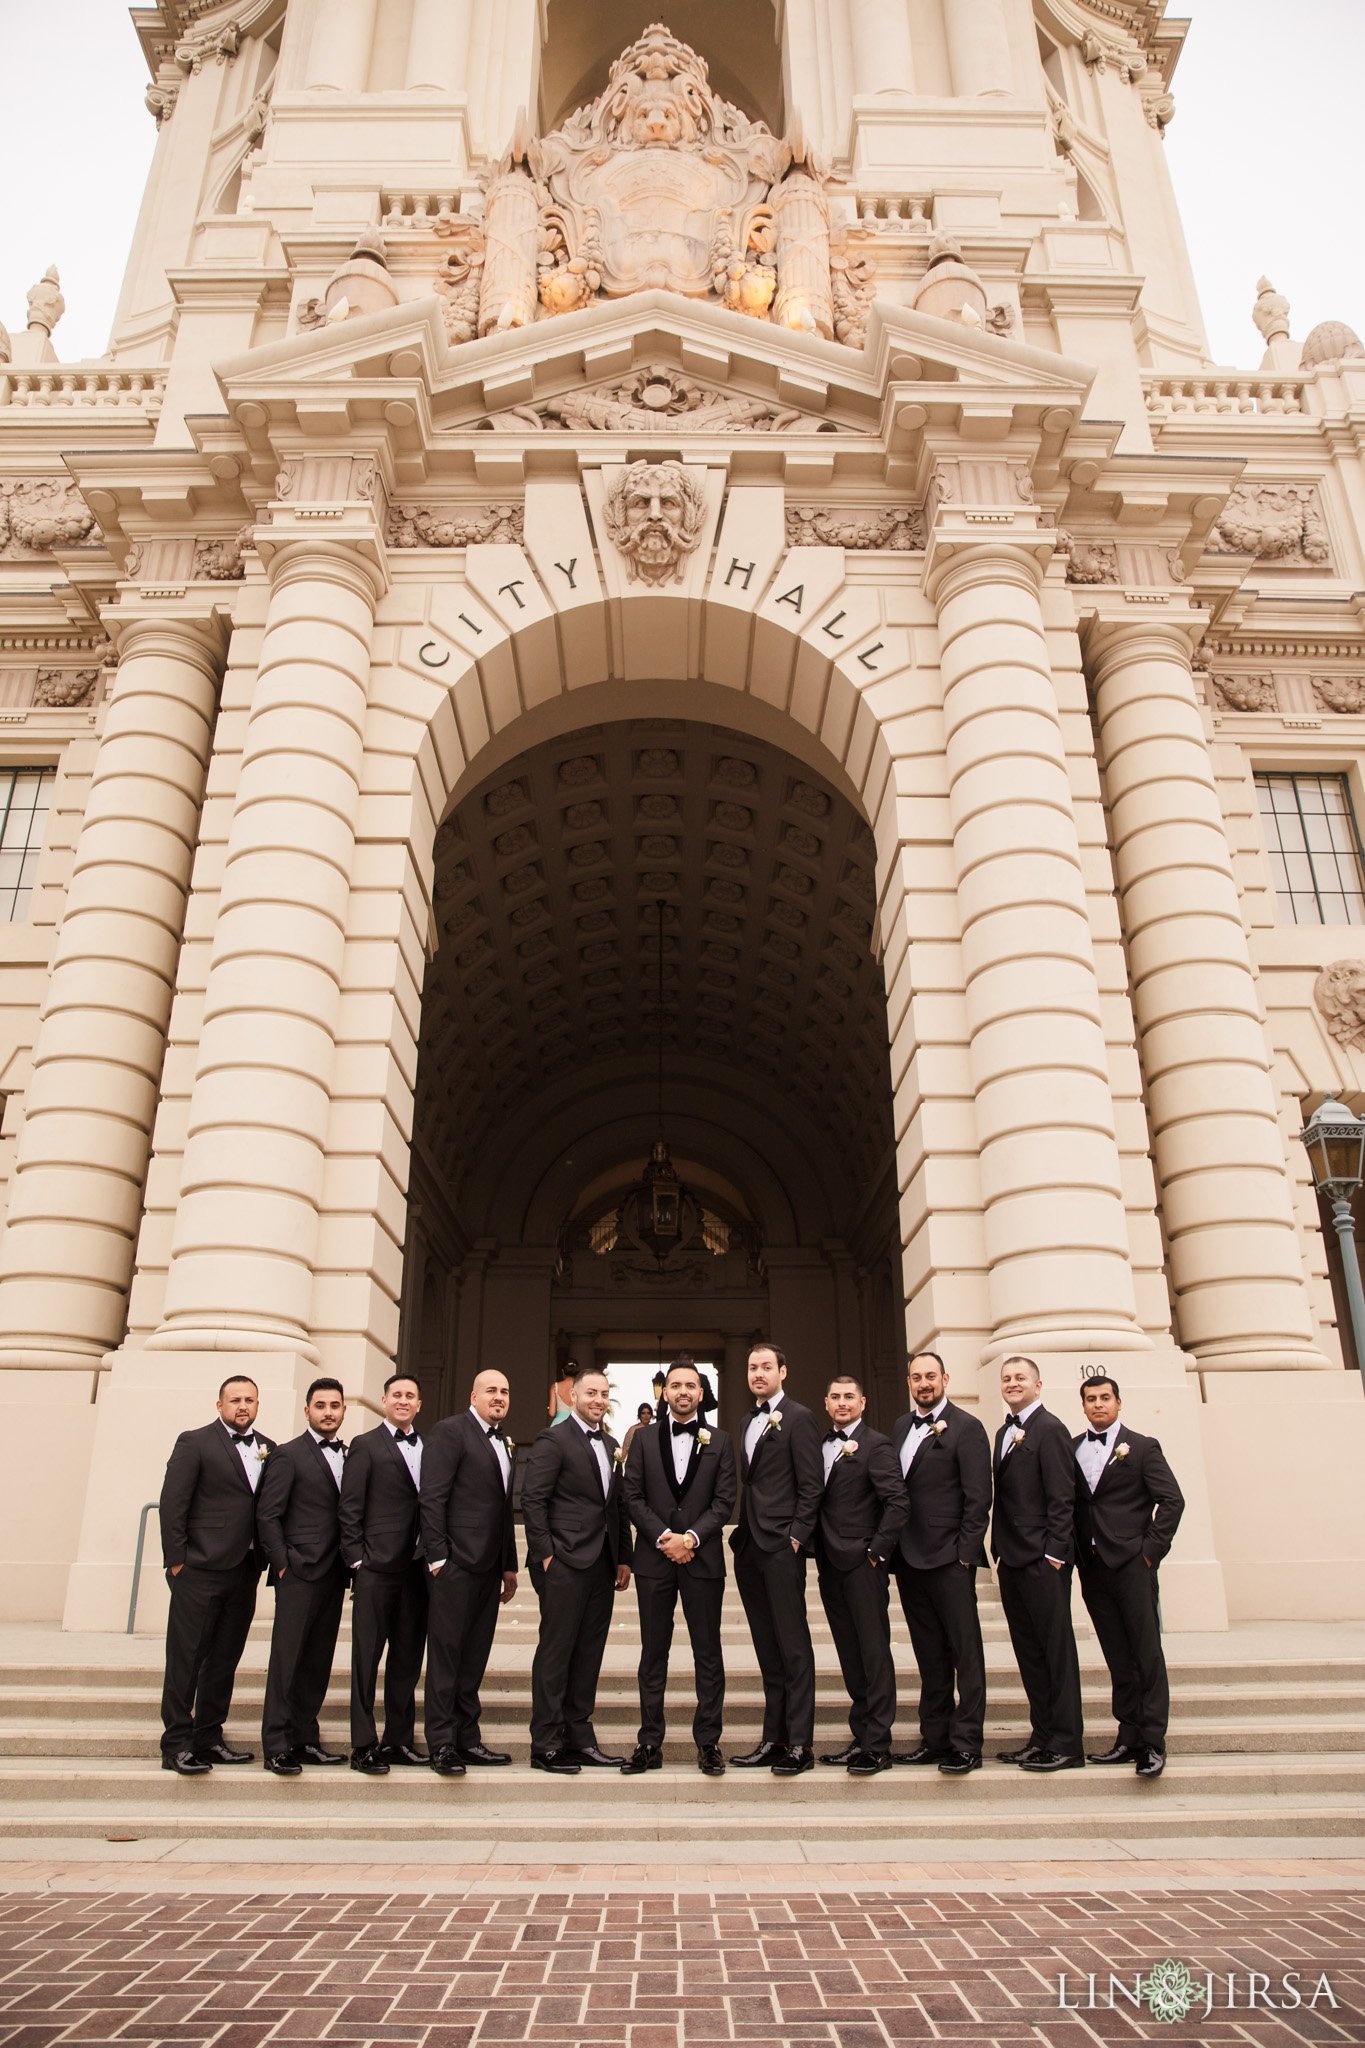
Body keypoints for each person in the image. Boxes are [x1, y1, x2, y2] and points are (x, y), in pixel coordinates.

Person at [621, 1358, 736, 1775]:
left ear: (701, 1393)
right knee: (654, 1653)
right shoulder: (643, 1439)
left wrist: (691, 1538)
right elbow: (631, 1496)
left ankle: (709, 1742)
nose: (683, 1391)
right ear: (664, 1392)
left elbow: (725, 1501)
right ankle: (649, 1741)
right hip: (654, 1560)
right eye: (675, 1385)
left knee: (708, 1653)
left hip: (702, 1559)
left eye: (690, 1385)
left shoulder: (721, 1441)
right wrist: (663, 1538)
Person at [157, 1375, 275, 1775]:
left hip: (245, 1570)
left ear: (258, 1405)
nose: (243, 1406)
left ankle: (209, 1737)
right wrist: (177, 1562)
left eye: (250, 1400)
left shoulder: (268, 1449)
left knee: (225, 1659)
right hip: (200, 1569)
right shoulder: (195, 1442)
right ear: (219, 1404)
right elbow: (173, 1503)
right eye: (235, 1399)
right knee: (186, 1659)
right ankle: (176, 1744)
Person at [522, 1365, 633, 1774]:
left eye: (604, 1394)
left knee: (589, 1654)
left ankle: (579, 1738)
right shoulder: (554, 1439)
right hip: (564, 1562)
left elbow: (616, 1506)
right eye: (591, 1393)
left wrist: (624, 1557)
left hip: (601, 1565)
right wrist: (547, 1554)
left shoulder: (609, 1444)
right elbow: (533, 1500)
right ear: (573, 1397)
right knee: (556, 1653)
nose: (598, 1400)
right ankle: (546, 1744)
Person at [1073, 1374, 1185, 1778]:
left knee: (1146, 1654)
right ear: (1083, 1406)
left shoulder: (1142, 1447)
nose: (1098, 1404)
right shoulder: (1072, 1449)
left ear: (1118, 1403)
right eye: (1091, 1399)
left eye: (1105, 1398)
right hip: (1093, 1568)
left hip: (1133, 1567)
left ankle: (1153, 1742)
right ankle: (1128, 1736)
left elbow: (1172, 1501)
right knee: (1117, 1656)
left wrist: (1149, 1553)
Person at [890, 1350, 992, 1775]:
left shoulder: (968, 1428)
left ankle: (967, 1742)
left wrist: (965, 1555)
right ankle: (934, 1738)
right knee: (928, 1653)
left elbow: (978, 1498)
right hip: (910, 1558)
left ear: (945, 1379)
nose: (924, 1383)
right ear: (909, 1383)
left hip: (950, 1556)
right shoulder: (899, 1427)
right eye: (917, 1377)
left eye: (931, 1376)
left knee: (964, 1653)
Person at [728, 1339, 824, 1777]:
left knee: (793, 1646)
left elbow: (812, 1484)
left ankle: (800, 1743)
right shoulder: (748, 1420)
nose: (758, 1374)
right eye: (753, 1367)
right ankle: (774, 1738)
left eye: (767, 1366)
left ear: (783, 1371)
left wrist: (796, 1538)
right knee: (768, 1648)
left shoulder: (800, 1418)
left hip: (782, 1548)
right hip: (750, 1548)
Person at [418, 1368, 519, 1776]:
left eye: (505, 1391)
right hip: (455, 1565)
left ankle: (468, 1737)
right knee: (446, 1656)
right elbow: (432, 1497)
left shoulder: (503, 1443)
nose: (499, 1396)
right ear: (473, 1395)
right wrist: (439, 1558)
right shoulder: (449, 1432)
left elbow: (503, 1508)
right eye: (491, 1390)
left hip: (489, 1567)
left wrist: (508, 1565)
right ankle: (441, 1743)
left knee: (474, 1656)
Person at [990, 1354, 1085, 1772]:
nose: (1012, 1383)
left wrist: (1054, 1555)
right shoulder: (1002, 1432)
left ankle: (1067, 1742)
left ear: (1038, 1385)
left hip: (1043, 1560)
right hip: (1011, 1558)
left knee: (1055, 1650)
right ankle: (1042, 1735)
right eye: (1007, 1378)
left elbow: (1063, 1497)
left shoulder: (1050, 1429)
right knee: (1029, 1652)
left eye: (1020, 1378)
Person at [256, 1377, 351, 1777]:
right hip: (298, 1572)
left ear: (343, 1410)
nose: (328, 1412)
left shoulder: (350, 1454)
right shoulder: (288, 1455)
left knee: (317, 1660)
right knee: (287, 1661)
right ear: (308, 1410)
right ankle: (276, 1744)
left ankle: (305, 1738)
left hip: (334, 1573)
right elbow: (267, 1514)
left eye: (335, 1405)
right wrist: (282, 1564)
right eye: (321, 1405)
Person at [814, 1373, 907, 1777]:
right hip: (829, 1565)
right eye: (835, 1397)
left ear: (863, 1402)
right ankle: (861, 1735)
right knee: (850, 1654)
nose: (842, 1403)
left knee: (873, 1652)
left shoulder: (877, 1445)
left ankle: (879, 1743)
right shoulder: (819, 1445)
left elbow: (897, 1503)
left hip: (864, 1564)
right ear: (826, 1402)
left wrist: (876, 1553)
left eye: (849, 1397)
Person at [338, 1371, 428, 1776]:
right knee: (367, 1659)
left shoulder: (428, 1447)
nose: (404, 1401)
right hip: (376, 1568)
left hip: (416, 1569)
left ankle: (399, 1740)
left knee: (407, 1659)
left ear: (419, 1404)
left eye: (411, 1396)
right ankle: (362, 1744)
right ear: (384, 1400)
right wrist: (357, 1560)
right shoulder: (365, 1445)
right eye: (397, 1395)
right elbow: (349, 1506)